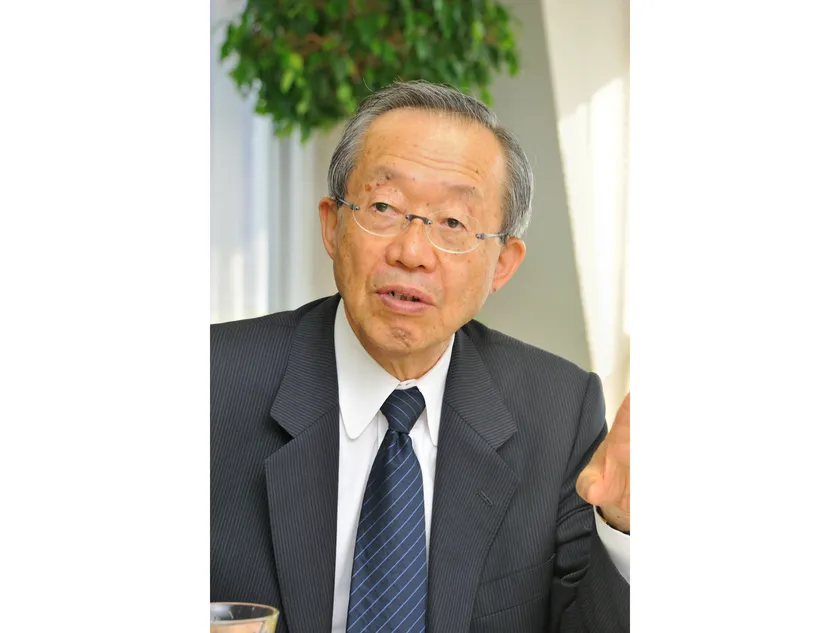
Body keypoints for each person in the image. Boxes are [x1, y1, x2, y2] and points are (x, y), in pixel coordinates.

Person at [211, 80, 630, 633]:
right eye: (384, 207)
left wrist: (623, 526)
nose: (411, 253)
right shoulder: (212, 382)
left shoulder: (558, 410)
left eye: (453, 223)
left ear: (503, 264)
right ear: (332, 225)